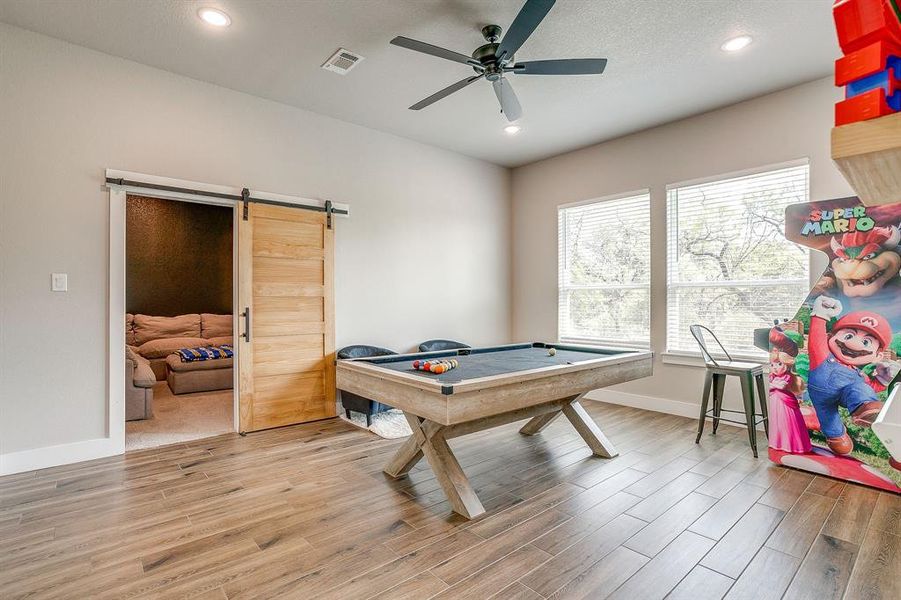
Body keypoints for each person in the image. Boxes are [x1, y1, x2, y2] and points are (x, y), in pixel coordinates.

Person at [767, 329, 812, 454]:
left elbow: (781, 386)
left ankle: (791, 445)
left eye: (779, 364)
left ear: (786, 364)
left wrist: (772, 385)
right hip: (775, 402)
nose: (775, 368)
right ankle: (776, 442)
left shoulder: (787, 378)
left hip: (785, 404)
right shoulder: (772, 377)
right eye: (772, 365)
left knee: (787, 424)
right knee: (777, 424)